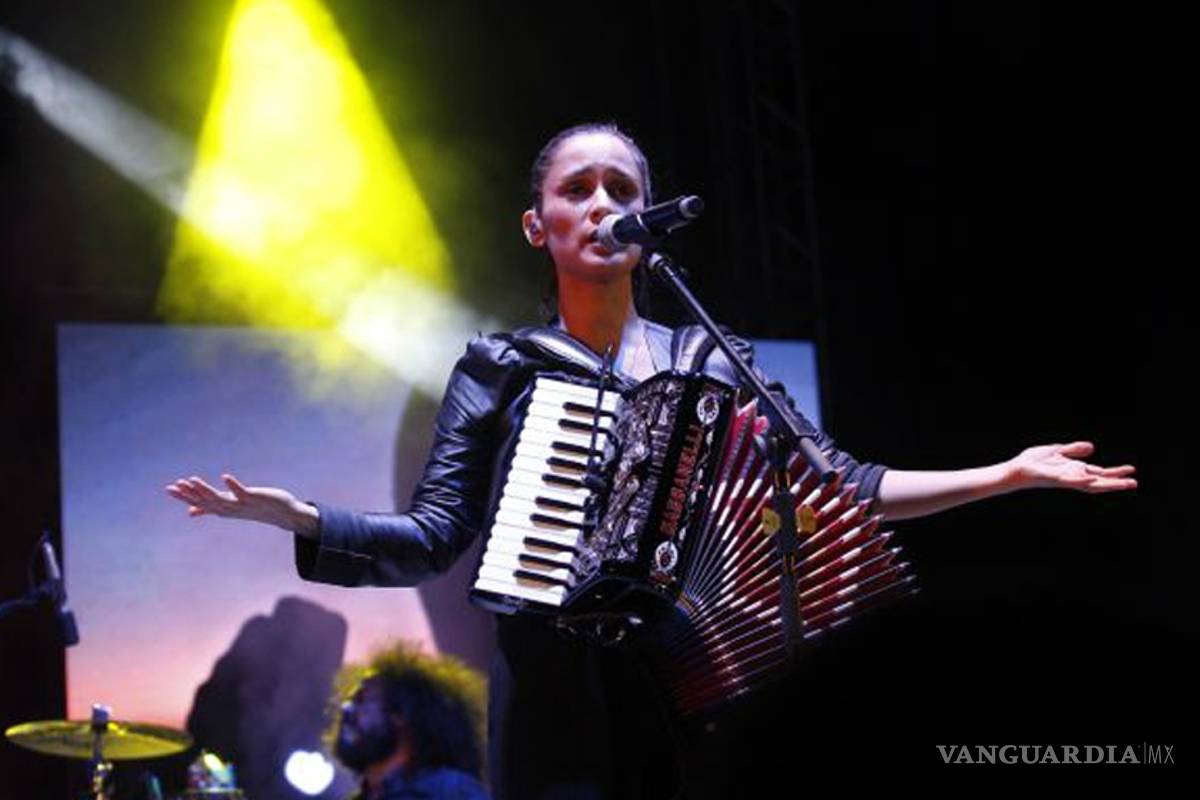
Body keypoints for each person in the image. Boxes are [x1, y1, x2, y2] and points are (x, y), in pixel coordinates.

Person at [166, 121, 1136, 798]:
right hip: (550, 688)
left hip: (691, 683)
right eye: (575, 189)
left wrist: (1005, 473)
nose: (601, 204)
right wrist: (300, 519)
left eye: (621, 190)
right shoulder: (502, 366)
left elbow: (844, 483)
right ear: (535, 225)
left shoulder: (710, 356)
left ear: (646, 222)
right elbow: (433, 537)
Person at [331, 642, 489, 800]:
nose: (346, 708)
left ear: (400, 715)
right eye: (350, 700)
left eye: (362, 699)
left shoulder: (451, 791)